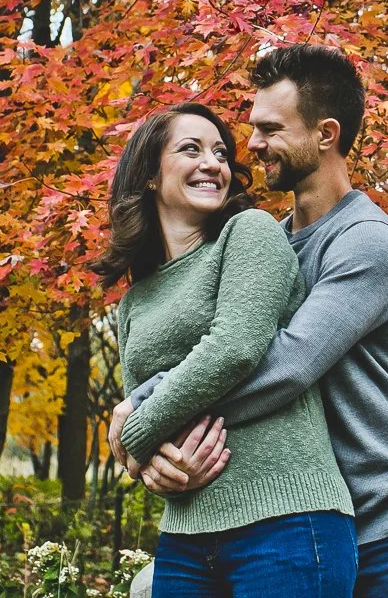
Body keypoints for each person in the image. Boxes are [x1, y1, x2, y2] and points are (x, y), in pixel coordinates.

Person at [112, 46, 388, 598]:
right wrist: (159, 456)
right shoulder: (266, 241)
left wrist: (143, 414)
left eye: (270, 129)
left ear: (325, 134)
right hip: (297, 512)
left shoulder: (365, 241)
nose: (251, 146)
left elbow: (287, 364)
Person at [101, 101, 357, 597]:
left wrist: (133, 431)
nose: (213, 163)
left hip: (287, 519)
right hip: (185, 533)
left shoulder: (249, 233)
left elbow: (235, 347)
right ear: (150, 175)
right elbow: (145, 440)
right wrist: (157, 469)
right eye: (191, 149)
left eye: (220, 152)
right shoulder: (134, 301)